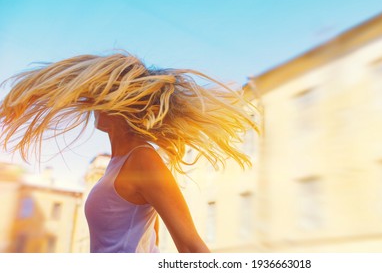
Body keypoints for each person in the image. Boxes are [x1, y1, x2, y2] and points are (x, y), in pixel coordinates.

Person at [0, 51, 259, 253]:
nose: (93, 104)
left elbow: (190, 245)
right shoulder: (119, 163)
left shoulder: (143, 160)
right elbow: (149, 241)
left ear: (121, 106)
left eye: (102, 97)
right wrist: (32, 96)